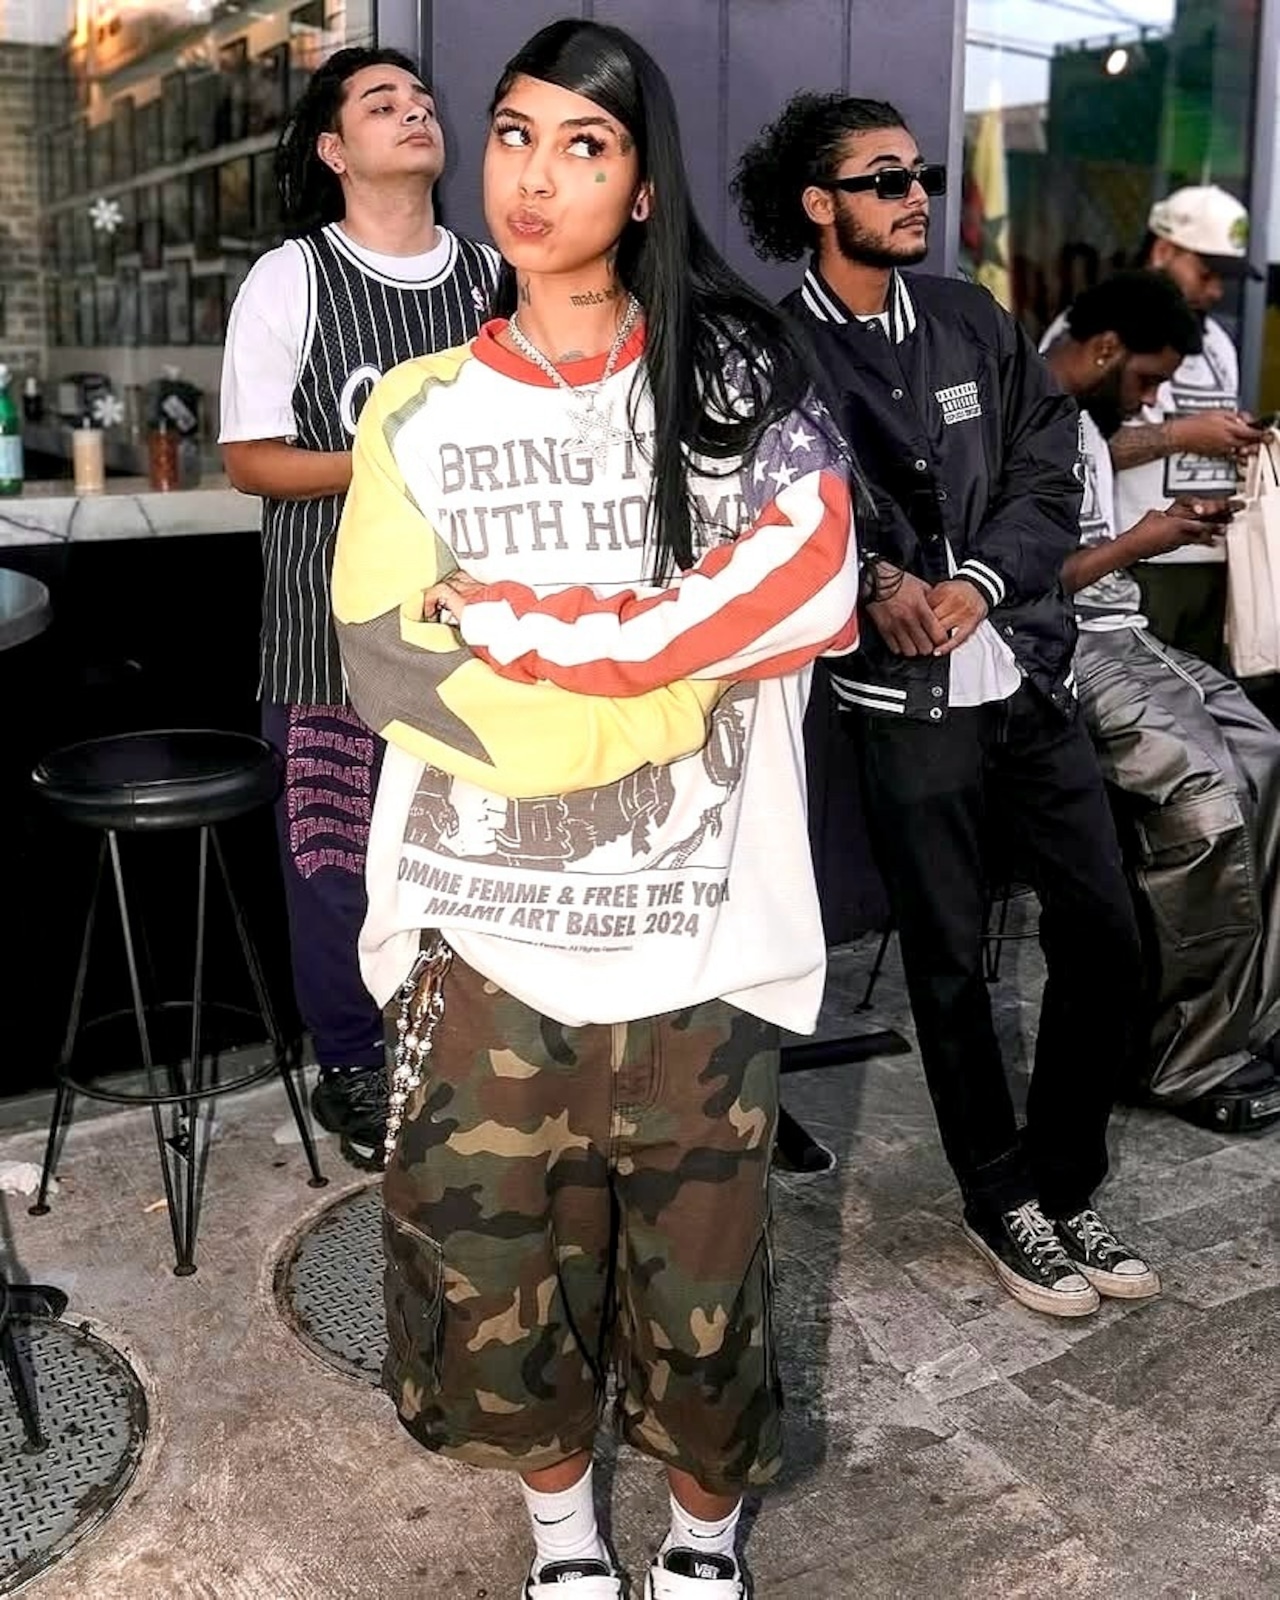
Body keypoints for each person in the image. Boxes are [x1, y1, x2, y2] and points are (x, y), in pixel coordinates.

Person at [332, 22, 860, 1600]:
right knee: (494, 1291)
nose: (535, 174)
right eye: (514, 133)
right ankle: (564, 1540)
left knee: (705, 1302)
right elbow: (392, 667)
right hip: (484, 950)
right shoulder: (417, 408)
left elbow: (811, 580)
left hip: (701, 945)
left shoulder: (737, 381)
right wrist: (673, 684)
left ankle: (703, 1540)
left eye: (585, 143)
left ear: (641, 187)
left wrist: (529, 630)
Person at [733, 91, 1158, 1319]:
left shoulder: (970, 317)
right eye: (882, 179)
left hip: (1022, 673)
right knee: (948, 963)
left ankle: (1065, 1179)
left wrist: (976, 580)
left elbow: (1044, 469)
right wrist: (873, 581)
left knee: (1103, 934)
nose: (912, 194)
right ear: (818, 204)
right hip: (900, 701)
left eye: (916, 173)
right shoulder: (775, 352)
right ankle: (998, 1194)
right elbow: (776, 508)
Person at [219, 47, 499, 1168]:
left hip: (471, 630)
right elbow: (250, 459)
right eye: (383, 104)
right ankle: (350, 1059)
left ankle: (462, 1049)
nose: (414, 111)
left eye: (422, 100)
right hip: (323, 629)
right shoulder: (292, 277)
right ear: (335, 150)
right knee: (334, 861)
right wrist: (388, 462)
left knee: (466, 852)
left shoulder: (489, 277)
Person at [1042, 270, 1280, 1133]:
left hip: (1127, 632)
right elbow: (1027, 580)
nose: (1149, 400)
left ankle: (1250, 1020)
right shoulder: (1024, 412)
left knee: (1267, 755)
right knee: (1206, 799)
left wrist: (1156, 528)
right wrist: (1144, 540)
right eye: (1145, 380)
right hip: (1064, 646)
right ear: (1106, 349)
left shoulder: (1085, 421)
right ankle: (1183, 1053)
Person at [1107, 188, 1264, 664]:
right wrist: (1184, 434)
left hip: (1213, 559)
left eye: (1223, 278)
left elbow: (1206, 425)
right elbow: (1073, 448)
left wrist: (1237, 438)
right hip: (1138, 561)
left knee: (1204, 697)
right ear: (1162, 251)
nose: (1216, 291)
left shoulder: (1217, 341)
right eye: (1206, 273)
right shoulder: (1100, 331)